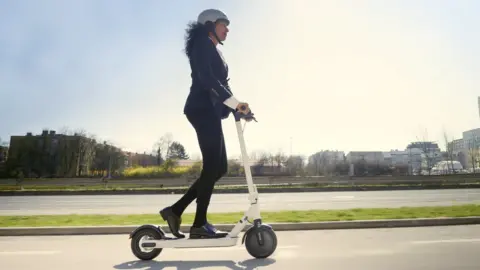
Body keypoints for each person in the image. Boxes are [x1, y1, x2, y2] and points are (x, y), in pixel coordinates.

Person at [159, 9, 251, 239]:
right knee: (212, 166)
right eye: (223, 25)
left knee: (219, 168)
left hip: (209, 111)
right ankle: (198, 225)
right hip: (201, 109)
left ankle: (176, 211)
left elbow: (223, 85)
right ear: (210, 25)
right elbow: (206, 78)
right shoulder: (202, 43)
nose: (227, 29)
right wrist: (234, 103)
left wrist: (239, 107)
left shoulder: (215, 50)